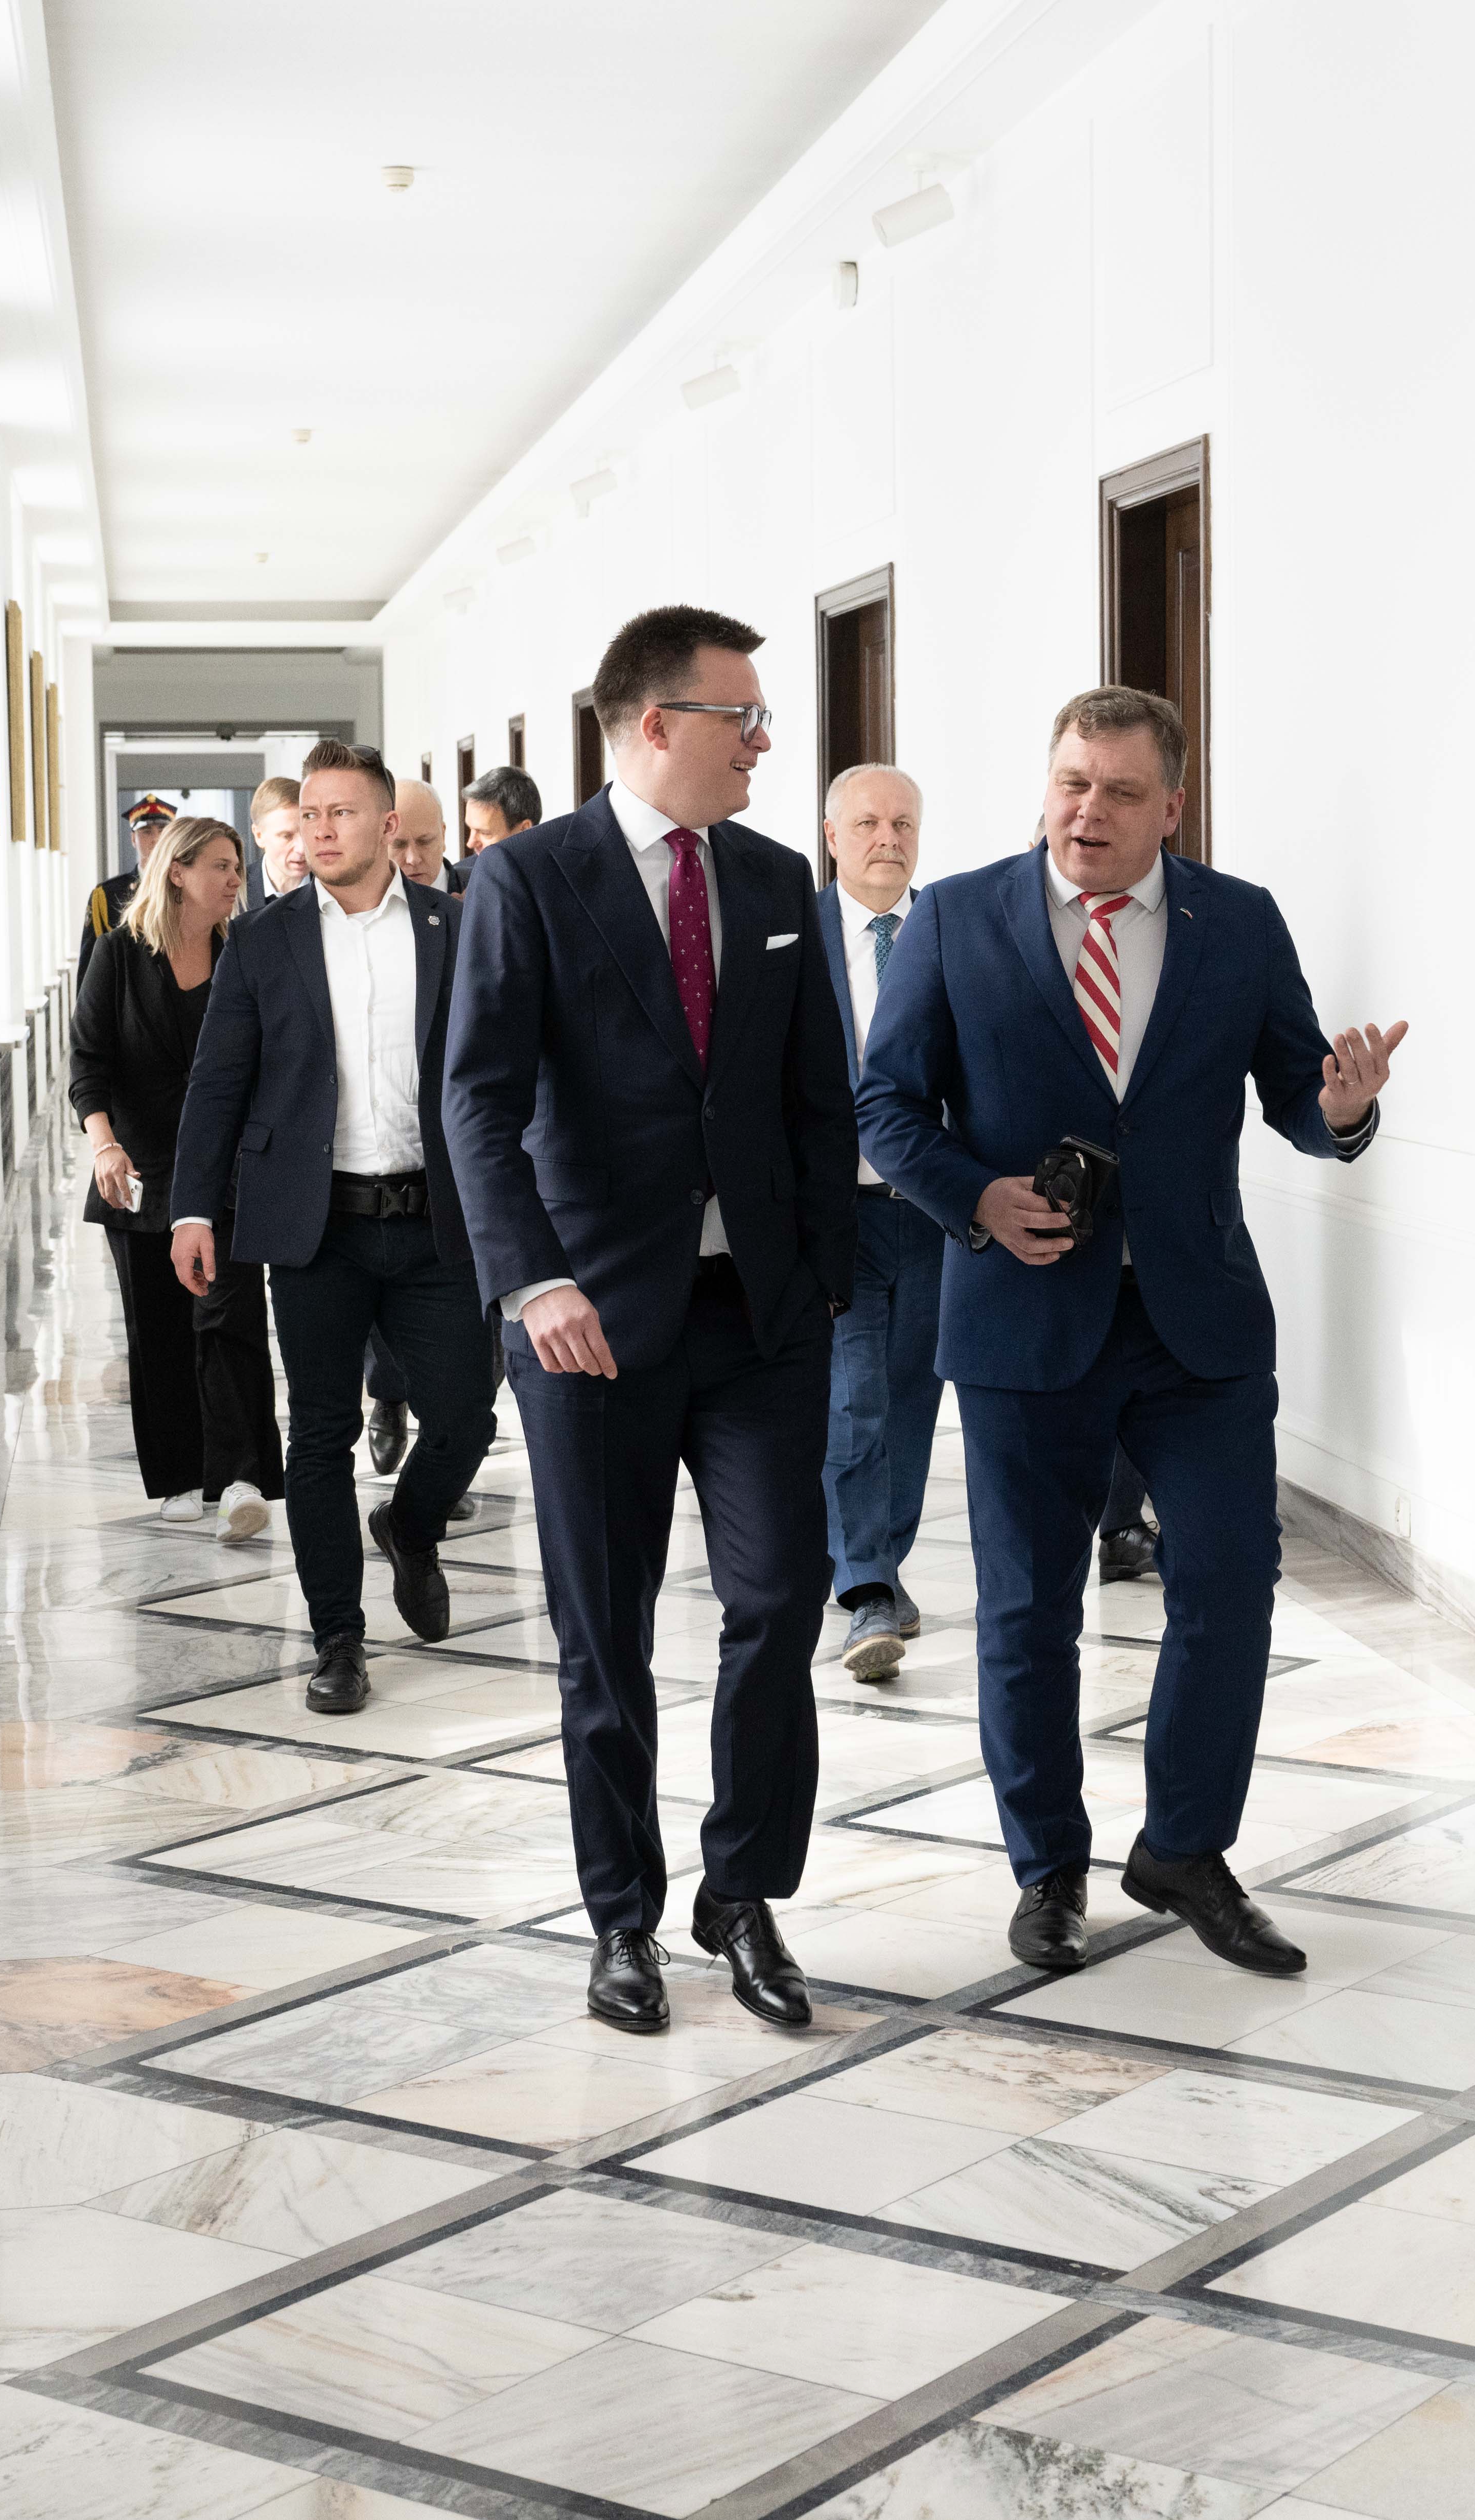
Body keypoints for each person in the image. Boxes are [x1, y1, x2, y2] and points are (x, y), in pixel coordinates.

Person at [859, 687, 1405, 1982]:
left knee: (1230, 1581)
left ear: (1172, 805)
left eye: (1117, 790)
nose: (1086, 811)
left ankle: (1185, 1849)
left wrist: (1341, 1109)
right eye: (1070, 782)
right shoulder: (956, 917)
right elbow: (886, 1105)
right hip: (1023, 1316)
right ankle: (1047, 1867)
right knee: (1027, 1609)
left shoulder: (1239, 921)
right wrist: (976, 1199)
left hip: (1195, 1323)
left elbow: (1296, 1096)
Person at [446, 605, 855, 2037]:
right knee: (602, 1633)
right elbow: (476, 1099)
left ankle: (742, 1892)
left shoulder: (774, 877)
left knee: (780, 1596)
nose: (765, 742)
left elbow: (815, 1094)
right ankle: (620, 1912)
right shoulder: (529, 877)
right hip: (590, 1324)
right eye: (744, 717)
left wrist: (824, 1274)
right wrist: (531, 1278)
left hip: (759, 1316)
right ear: (658, 723)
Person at [168, 740, 494, 1717]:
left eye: (340, 813)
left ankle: (412, 1524)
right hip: (317, 1229)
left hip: (435, 1221)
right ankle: (338, 1639)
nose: (319, 829)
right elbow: (218, 1081)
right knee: (319, 1434)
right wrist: (193, 1206)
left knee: (466, 1417)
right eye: (309, 814)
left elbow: (498, 1069)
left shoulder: (452, 926)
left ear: (387, 826)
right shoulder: (262, 939)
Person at [71, 817, 282, 1541]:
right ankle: (180, 1474)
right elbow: (88, 1063)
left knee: (230, 1317)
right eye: (221, 865)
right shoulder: (119, 954)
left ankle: (241, 1476)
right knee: (158, 1327)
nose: (235, 879)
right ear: (177, 872)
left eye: (238, 866)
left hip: (225, 1170)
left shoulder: (242, 952)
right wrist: (104, 1145)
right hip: (138, 1174)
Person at [810, 765, 940, 1681]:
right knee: (852, 1403)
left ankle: (883, 1565)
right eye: (866, 823)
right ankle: (863, 1589)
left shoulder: (952, 931)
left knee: (912, 1401)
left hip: (935, 1215)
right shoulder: (795, 935)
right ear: (832, 836)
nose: (886, 838)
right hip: (839, 1215)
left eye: (902, 823)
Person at [361, 778, 460, 1474]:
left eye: (426, 842)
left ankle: (448, 1454)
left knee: (466, 1335)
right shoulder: (365, 913)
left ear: (446, 836)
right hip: (387, 1149)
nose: (414, 858)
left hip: (464, 1149)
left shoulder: (486, 899)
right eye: (400, 845)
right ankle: (388, 1395)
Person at [87, 795, 174, 939]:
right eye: (147, 832)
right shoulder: (108, 895)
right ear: (134, 839)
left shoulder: (188, 888)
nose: (155, 839)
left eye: (162, 830)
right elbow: (92, 951)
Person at [459, 764, 542, 880]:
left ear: (524, 830)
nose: (470, 843)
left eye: (485, 833)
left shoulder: (558, 879)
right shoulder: (460, 880)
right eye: (470, 829)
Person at [247, 775, 307, 906]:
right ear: (259, 836)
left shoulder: (339, 889)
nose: (302, 849)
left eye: (307, 834)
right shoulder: (232, 892)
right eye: (287, 836)